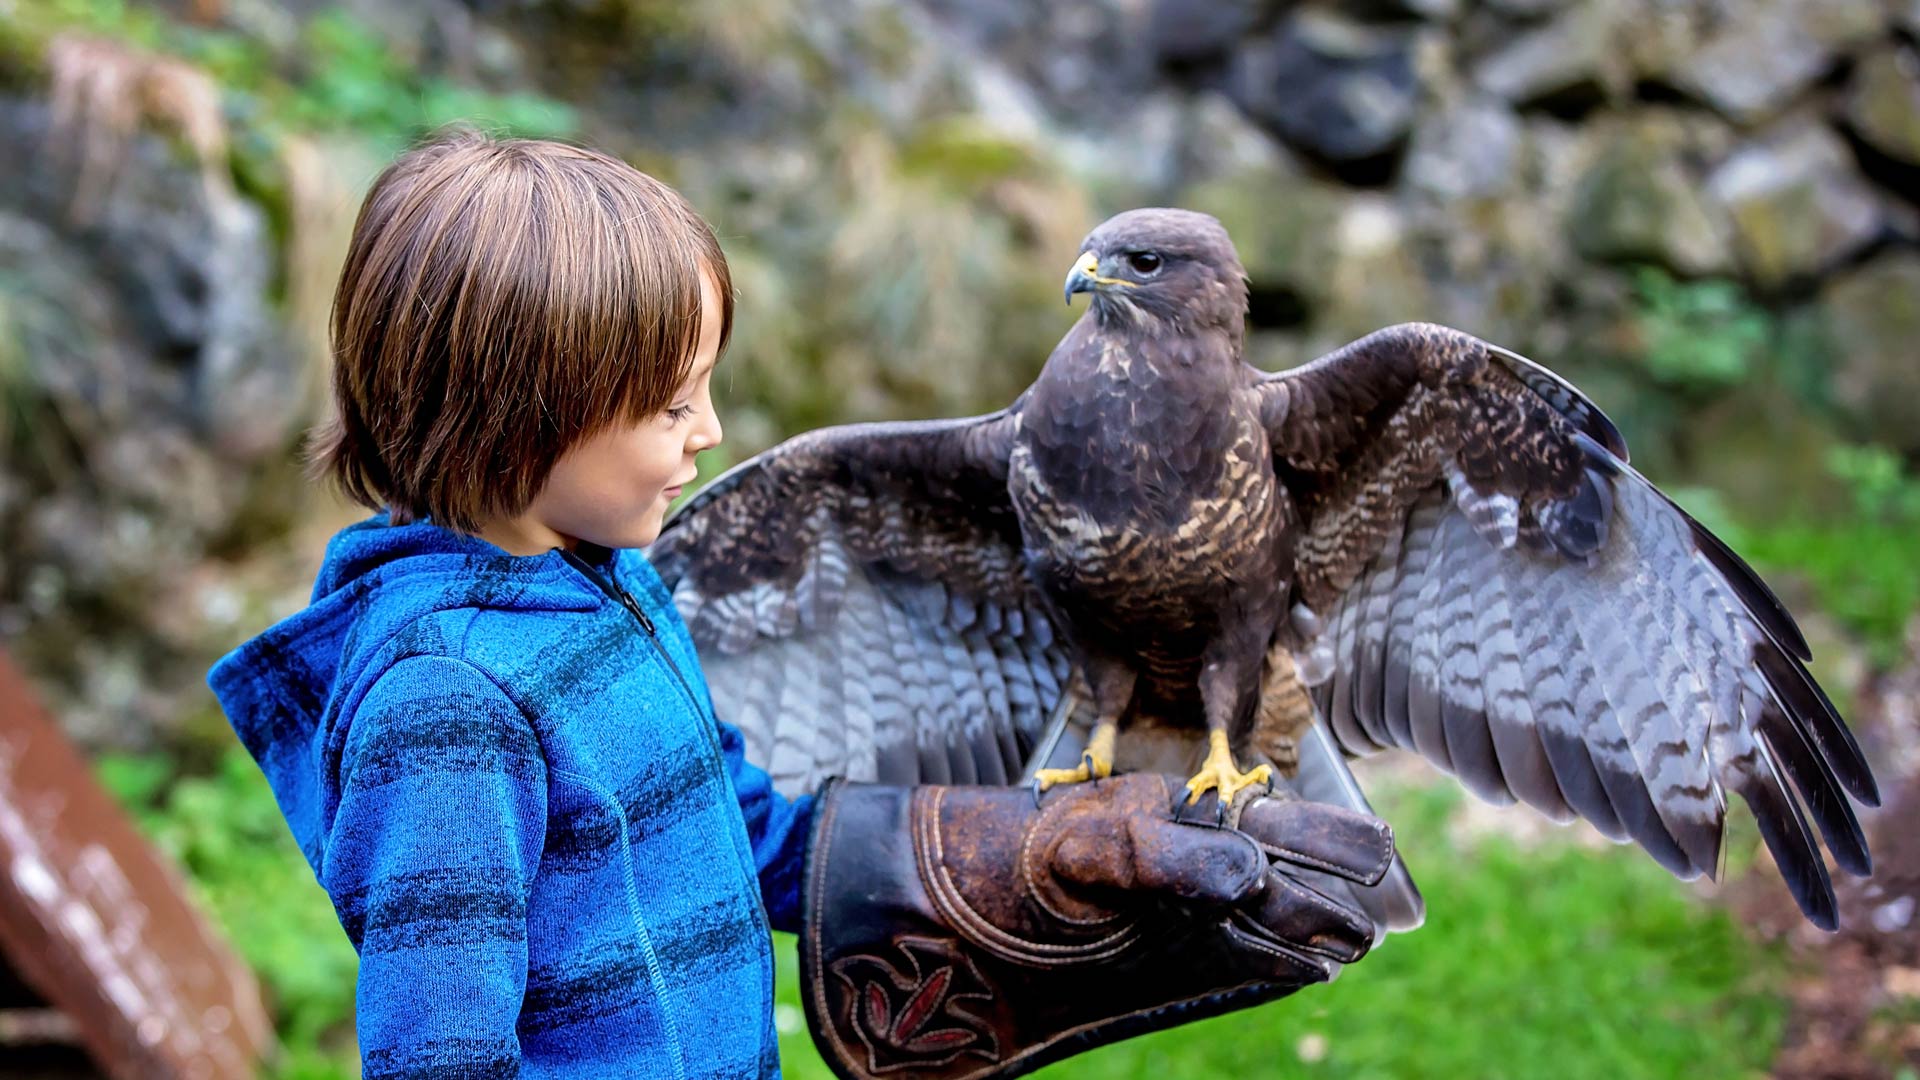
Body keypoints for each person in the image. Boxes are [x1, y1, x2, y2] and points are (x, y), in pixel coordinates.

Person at [208, 128, 1396, 1080]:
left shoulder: (602, 586)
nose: (711, 434)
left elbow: (744, 838)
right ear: (525, 418)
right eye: (673, 408)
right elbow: (438, 1059)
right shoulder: (446, 704)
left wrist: (1025, 857)